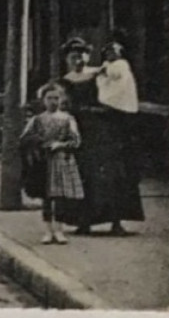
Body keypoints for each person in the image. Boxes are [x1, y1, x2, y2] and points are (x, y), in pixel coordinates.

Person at [55, 36, 144, 236]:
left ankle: (116, 222)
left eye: (82, 56)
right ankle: (83, 222)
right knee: (81, 174)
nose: (78, 61)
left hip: (103, 129)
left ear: (88, 56)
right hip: (78, 130)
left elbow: (118, 92)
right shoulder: (65, 81)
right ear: (66, 59)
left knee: (112, 173)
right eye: (73, 57)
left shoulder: (100, 75)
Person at [20, 82, 85, 245]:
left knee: (60, 197)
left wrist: (61, 145)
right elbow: (24, 138)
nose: (53, 102)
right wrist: (40, 143)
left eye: (56, 98)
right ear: (43, 100)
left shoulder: (67, 119)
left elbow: (76, 140)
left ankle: (59, 230)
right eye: (49, 98)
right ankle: (48, 230)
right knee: (47, 197)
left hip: (62, 159)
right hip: (43, 161)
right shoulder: (37, 120)